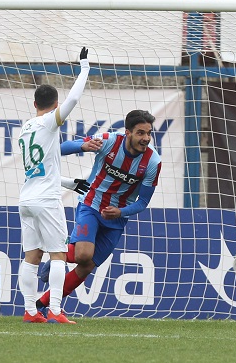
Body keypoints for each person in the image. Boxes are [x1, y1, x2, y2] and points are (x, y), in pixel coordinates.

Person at [34, 109, 162, 313]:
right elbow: (61, 148)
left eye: (148, 133)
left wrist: (121, 212)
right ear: (127, 132)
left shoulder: (153, 162)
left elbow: (143, 202)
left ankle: (41, 304)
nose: (146, 138)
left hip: (117, 218)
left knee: (86, 266)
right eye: (140, 133)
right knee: (84, 254)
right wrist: (82, 145)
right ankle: (56, 256)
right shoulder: (108, 141)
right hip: (91, 205)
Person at [17, 47, 93, 324]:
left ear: (34, 103)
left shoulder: (26, 128)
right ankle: (57, 311)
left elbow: (38, 172)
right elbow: (74, 99)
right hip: (47, 200)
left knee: (32, 256)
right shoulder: (50, 122)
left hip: (27, 199)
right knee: (58, 254)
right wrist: (84, 68)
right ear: (53, 103)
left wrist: (70, 184)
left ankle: (30, 311)